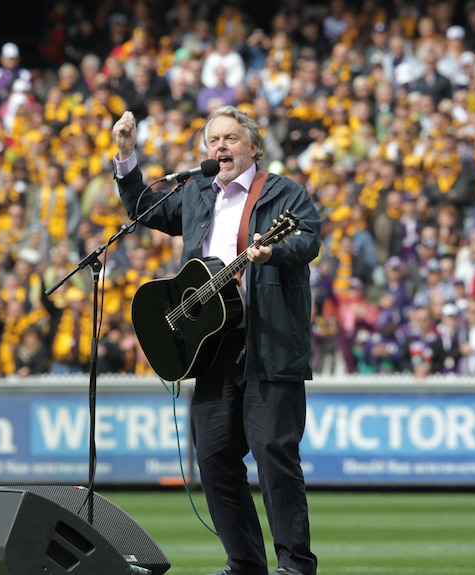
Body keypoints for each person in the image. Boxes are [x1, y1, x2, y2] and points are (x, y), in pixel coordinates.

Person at [112, 106, 319, 575]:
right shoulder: (197, 193)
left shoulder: (284, 193)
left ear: (252, 146)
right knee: (213, 459)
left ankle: (295, 565)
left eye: (229, 138)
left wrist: (274, 251)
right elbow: (145, 208)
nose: (220, 147)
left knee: (274, 457)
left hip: (268, 346)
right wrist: (126, 157)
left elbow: (309, 240)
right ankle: (245, 563)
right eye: (213, 141)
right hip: (211, 348)